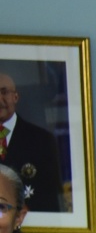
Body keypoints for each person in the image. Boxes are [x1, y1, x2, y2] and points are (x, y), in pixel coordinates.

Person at [0, 73, 64, 213]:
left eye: (4, 92)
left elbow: (52, 199)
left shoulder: (43, 140)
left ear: (15, 97)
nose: (0, 99)